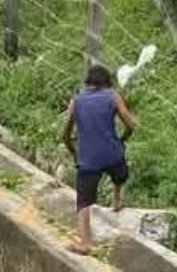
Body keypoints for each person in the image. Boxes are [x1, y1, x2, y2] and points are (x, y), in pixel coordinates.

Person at [60, 63, 136, 256]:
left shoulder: (76, 101)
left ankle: (85, 243)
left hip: (89, 160)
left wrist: (74, 152)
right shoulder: (112, 96)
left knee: (83, 202)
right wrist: (122, 140)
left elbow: (66, 134)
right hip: (112, 154)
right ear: (106, 83)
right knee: (120, 173)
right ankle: (117, 199)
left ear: (87, 83)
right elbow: (131, 124)